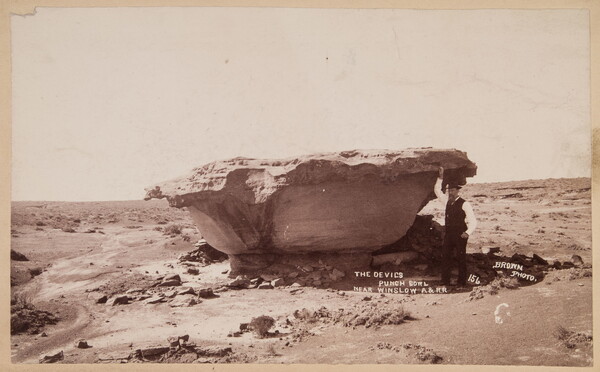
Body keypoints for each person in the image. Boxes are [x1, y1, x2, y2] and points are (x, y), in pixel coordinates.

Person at [434, 167, 477, 287]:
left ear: (458, 191)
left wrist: (467, 233)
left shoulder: (465, 203)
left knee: (460, 258)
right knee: (446, 257)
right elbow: (437, 190)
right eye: (449, 191)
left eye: (453, 190)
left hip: (460, 234)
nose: (451, 192)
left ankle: (461, 282)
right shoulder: (447, 201)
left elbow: (473, 221)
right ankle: (445, 281)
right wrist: (440, 177)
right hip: (449, 234)